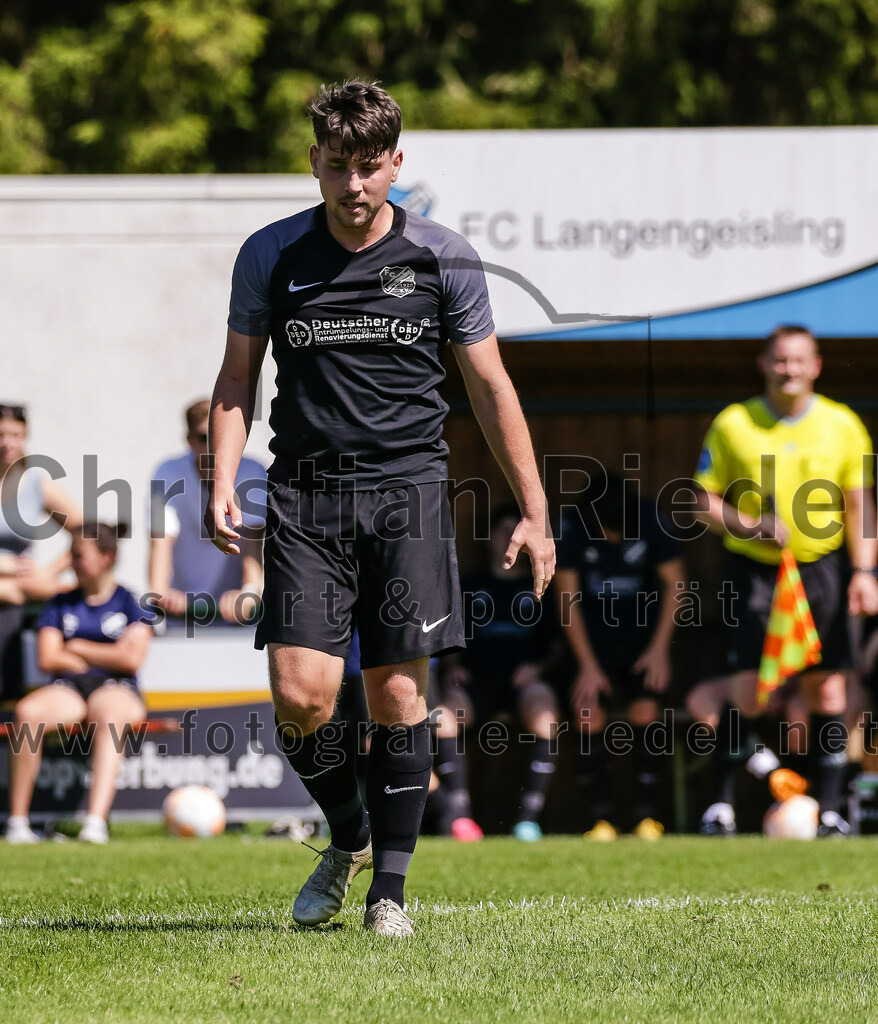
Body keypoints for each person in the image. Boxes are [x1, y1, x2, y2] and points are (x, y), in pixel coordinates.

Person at [206, 80, 554, 936]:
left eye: (369, 167)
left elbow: (490, 386)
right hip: (305, 497)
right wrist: (222, 476)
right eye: (336, 166)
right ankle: (350, 835)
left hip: (409, 498)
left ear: (396, 163)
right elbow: (236, 377)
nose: (353, 185)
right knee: (301, 697)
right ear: (314, 162)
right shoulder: (271, 254)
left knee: (401, 691)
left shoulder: (443, 257)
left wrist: (535, 511)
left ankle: (388, 895)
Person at [693, 324, 878, 836]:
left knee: (830, 691)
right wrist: (751, 524)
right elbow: (700, 500)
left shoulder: (842, 425)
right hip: (753, 571)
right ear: (764, 363)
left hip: (824, 571)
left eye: (798, 360)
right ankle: (721, 805)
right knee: (749, 692)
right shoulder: (734, 423)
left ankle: (833, 808)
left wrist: (863, 572)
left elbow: (861, 506)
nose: (788, 369)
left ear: (815, 365)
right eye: (779, 360)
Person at [555, 471, 685, 840]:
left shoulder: (650, 518)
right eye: (607, 532)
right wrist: (587, 666)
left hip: (642, 641)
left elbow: (676, 583)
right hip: (590, 642)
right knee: (586, 713)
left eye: (619, 531)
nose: (613, 538)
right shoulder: (572, 526)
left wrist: (661, 649)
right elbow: (567, 600)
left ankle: (648, 816)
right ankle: (601, 818)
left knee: (646, 710)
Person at [5, 523, 151, 844]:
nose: (71, 562)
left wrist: (77, 647)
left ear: (107, 557)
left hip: (117, 688)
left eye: (79, 555)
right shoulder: (60, 603)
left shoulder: (130, 601)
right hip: (70, 689)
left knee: (109, 715)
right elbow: (48, 657)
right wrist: (106, 653)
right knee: (28, 713)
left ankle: (94, 824)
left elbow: (130, 660)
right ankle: (17, 824)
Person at [435, 503, 563, 842]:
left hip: (522, 684)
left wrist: (537, 669)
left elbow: (556, 647)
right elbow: (446, 639)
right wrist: (452, 668)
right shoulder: (468, 585)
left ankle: (528, 821)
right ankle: (460, 817)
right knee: (442, 719)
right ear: (490, 539)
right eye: (502, 531)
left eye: (514, 532)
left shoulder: (539, 587)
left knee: (546, 712)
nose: (508, 538)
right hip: (476, 682)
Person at [148, 399, 265, 625]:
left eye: (221, 436)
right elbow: (160, 542)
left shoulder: (252, 472)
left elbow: (253, 544)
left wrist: (249, 592)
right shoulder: (168, 473)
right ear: (190, 440)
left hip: (237, 614)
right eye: (204, 438)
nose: (214, 445)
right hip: (182, 612)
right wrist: (161, 592)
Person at [0, 403, 81, 698]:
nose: (7, 443)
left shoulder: (34, 482)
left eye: (15, 434)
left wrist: (48, 571)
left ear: (25, 435)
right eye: (1, 434)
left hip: (24, 591)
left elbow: (88, 532)